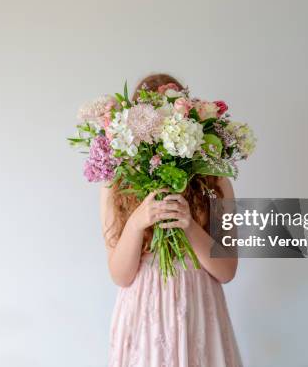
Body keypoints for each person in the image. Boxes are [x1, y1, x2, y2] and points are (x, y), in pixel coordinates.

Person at [100, 74, 243, 366]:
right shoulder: (116, 184)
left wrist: (189, 225)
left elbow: (227, 271)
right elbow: (120, 275)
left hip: (199, 309)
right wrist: (137, 222)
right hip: (144, 314)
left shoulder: (215, 181)